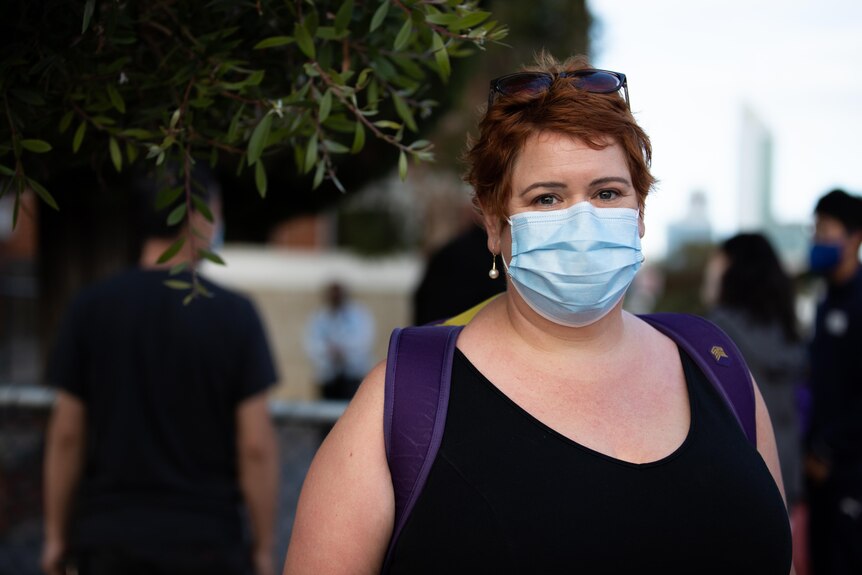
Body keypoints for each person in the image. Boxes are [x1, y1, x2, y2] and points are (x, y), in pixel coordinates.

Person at [283, 54, 793, 574]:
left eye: (607, 192)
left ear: (640, 212)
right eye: (546, 198)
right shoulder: (407, 396)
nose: (582, 219)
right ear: (493, 223)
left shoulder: (715, 364)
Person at [41, 166, 279, 575]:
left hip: (108, 540)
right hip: (208, 542)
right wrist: (263, 547)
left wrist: (55, 537)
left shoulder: (91, 308)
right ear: (198, 216)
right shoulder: (235, 316)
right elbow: (256, 446)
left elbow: (66, 435)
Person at [701, 233, 806, 507]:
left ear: (733, 269)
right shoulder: (787, 331)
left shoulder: (715, 335)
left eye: (717, 260)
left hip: (739, 482)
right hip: (787, 473)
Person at [804, 189, 862, 575]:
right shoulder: (826, 300)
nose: (817, 239)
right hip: (817, 472)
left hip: (849, 471)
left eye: (826, 229)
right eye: (815, 229)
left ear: (854, 237)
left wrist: (828, 449)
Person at [303, 281, 375, 401]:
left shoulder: (358, 315)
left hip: (352, 375)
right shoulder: (320, 317)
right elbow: (311, 343)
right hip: (328, 377)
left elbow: (364, 341)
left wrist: (344, 352)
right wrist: (328, 353)